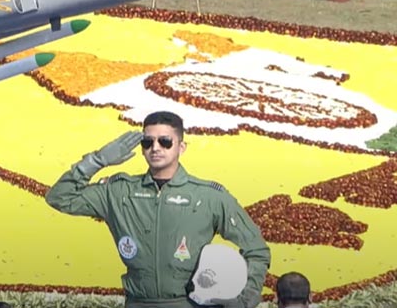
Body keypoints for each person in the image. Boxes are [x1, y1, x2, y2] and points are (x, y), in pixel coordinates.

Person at [45, 110, 271, 308]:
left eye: (165, 141)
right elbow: (60, 198)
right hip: (137, 302)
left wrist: (245, 298)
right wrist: (97, 160)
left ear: (181, 147)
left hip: (189, 303)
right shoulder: (118, 192)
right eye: (147, 142)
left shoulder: (209, 196)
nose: (155, 148)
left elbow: (257, 250)